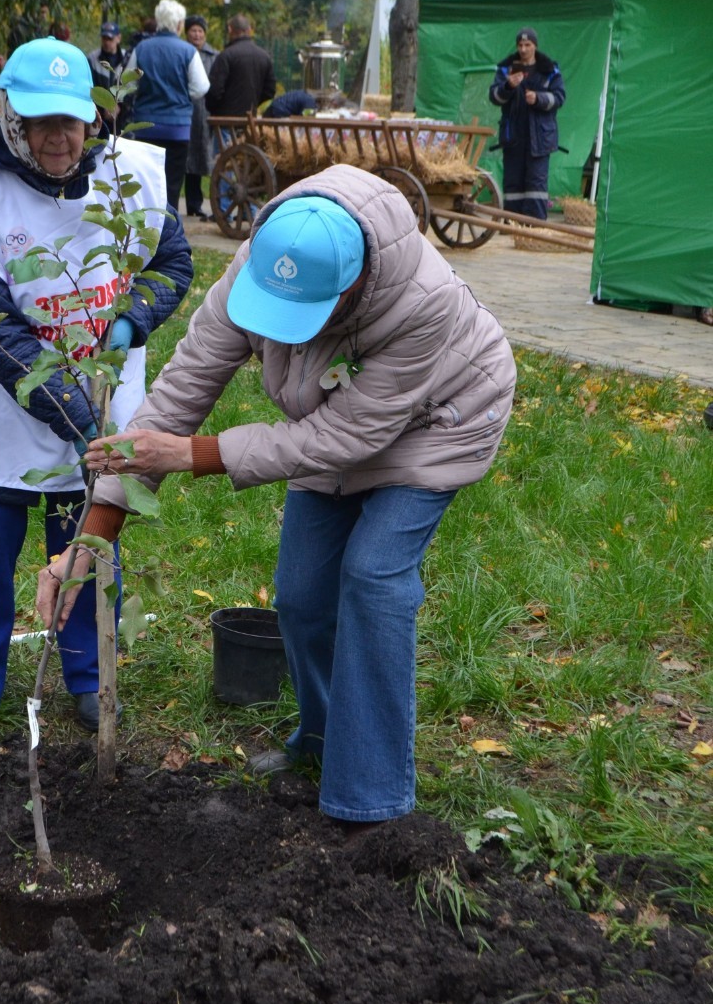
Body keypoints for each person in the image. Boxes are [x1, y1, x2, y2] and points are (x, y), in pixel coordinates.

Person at [39, 170, 515, 833]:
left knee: (373, 576)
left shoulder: (419, 305)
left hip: (439, 422)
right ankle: (322, 740)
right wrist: (85, 547)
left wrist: (192, 455)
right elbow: (178, 396)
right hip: (326, 422)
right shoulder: (260, 262)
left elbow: (342, 436)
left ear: (352, 285)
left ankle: (372, 800)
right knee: (300, 593)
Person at [0, 37, 193, 742]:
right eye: (40, 121)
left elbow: (170, 259)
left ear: (92, 116)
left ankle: (87, 674)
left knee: (85, 539)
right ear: (10, 117)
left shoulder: (131, 179)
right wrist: (74, 414)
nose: (57, 137)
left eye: (70, 120)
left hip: (100, 392)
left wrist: (134, 320)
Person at [126, 0, 210, 217]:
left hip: (146, 126)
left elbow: (126, 84)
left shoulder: (141, 48)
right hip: (177, 128)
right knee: (172, 183)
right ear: (180, 24)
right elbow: (201, 87)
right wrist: (182, 95)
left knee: (146, 180)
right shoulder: (188, 51)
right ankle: (168, 225)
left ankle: (145, 224)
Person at [489, 28, 566, 221]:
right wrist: (508, 87)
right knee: (513, 181)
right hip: (513, 135)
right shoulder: (506, 70)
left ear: (535, 46)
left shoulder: (549, 71)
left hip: (540, 137)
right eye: (520, 45)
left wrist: (538, 98)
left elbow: (559, 97)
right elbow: (494, 96)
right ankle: (512, 224)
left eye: (528, 45)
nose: (523, 49)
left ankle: (535, 226)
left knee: (536, 182)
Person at [205, 13, 277, 135]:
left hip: (224, 122)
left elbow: (214, 90)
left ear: (230, 29)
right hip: (249, 123)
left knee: (223, 154)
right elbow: (270, 90)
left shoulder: (226, 56)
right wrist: (252, 102)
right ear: (249, 30)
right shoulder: (264, 57)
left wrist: (215, 109)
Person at [183, 15, 219, 220]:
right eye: (193, 31)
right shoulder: (183, 52)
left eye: (200, 31)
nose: (197, 34)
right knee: (186, 158)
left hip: (206, 112)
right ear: (187, 33)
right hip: (186, 110)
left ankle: (202, 202)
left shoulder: (214, 56)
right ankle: (187, 202)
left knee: (201, 155)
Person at [87, 22, 125, 93]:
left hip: (120, 103)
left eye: (110, 39)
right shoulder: (92, 59)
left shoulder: (127, 58)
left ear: (118, 38)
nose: (107, 42)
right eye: (104, 38)